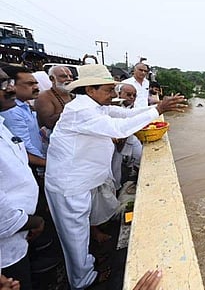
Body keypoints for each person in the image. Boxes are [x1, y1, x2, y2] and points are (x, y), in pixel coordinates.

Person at [44, 64, 186, 289]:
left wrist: (157, 107)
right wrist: (158, 110)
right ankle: (83, 281)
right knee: (74, 238)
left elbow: (125, 114)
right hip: (69, 184)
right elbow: (119, 129)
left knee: (82, 231)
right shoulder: (81, 111)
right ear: (90, 90)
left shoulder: (95, 105)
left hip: (82, 181)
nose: (113, 95)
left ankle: (87, 266)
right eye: (108, 90)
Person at [0, 67, 44, 290]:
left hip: (19, 232)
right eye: (2, 85)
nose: (10, 89)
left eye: (8, 82)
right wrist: (32, 222)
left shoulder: (2, 121)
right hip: (6, 245)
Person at [0, 65, 46, 173]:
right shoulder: (12, 111)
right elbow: (23, 149)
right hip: (31, 166)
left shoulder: (23, 106)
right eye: (30, 84)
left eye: (36, 83)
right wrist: (46, 163)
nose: (36, 87)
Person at [34, 66, 74, 130]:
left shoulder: (73, 95)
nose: (69, 79)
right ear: (52, 79)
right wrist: (74, 112)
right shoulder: (44, 97)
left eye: (71, 77)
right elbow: (49, 123)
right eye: (64, 76)